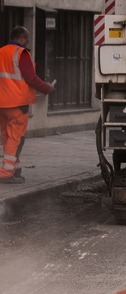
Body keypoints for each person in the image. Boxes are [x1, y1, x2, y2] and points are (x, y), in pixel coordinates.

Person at [0, 26, 54, 184]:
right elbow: (31, 78)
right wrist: (47, 88)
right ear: (21, 38)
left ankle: (14, 168)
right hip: (18, 103)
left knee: (7, 137)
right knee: (15, 138)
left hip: (2, 103)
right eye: (27, 38)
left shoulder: (2, 52)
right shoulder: (22, 54)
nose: (28, 41)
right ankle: (6, 173)